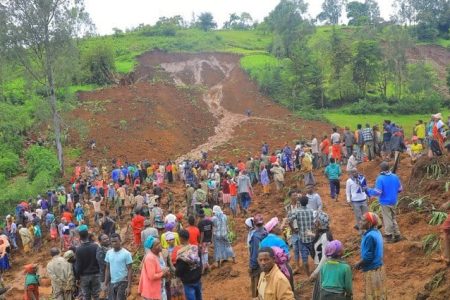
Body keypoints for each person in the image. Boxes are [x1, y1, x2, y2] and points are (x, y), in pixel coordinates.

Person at [368, 162, 403, 243]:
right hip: (394, 200)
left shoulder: (380, 178)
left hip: (385, 201)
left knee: (387, 218)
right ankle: (397, 234)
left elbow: (378, 192)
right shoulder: (395, 176)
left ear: (381, 169)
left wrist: (369, 190)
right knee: (393, 217)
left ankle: (389, 236)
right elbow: (400, 189)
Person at [355, 212, 386, 300]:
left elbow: (368, 257)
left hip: (372, 269)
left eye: (363, 220)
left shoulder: (369, 236)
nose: (360, 222)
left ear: (369, 223)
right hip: (378, 266)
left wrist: (358, 263)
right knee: (379, 293)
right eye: (360, 219)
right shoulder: (376, 232)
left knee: (372, 294)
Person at [288, 196, 314, 276]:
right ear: (307, 202)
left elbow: (289, 220)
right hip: (311, 237)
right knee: (314, 255)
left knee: (304, 258)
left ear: (300, 202)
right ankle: (317, 271)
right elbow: (316, 221)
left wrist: (293, 229)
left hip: (302, 238)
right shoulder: (311, 211)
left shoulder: (297, 211)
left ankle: (308, 275)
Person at [309, 211, 333, 300]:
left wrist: (315, 272)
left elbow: (325, 256)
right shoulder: (322, 234)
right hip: (321, 268)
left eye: (316, 221)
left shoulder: (325, 236)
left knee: (322, 292)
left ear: (319, 223)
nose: (314, 223)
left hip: (323, 269)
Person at [139, 236, 170, 300]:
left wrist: (166, 271)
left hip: (160, 288)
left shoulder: (160, 254)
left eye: (159, 243)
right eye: (157, 245)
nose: (160, 245)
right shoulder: (150, 258)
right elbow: (152, 276)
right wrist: (163, 273)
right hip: (152, 291)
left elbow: (161, 268)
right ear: (152, 248)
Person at [175, 230, 203, 300]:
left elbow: (179, 270)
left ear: (181, 238)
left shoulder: (181, 253)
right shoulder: (195, 248)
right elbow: (200, 262)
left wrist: (177, 275)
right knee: (199, 297)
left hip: (188, 281)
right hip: (197, 278)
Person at [104, 233, 133, 300]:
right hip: (112, 282)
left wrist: (128, 287)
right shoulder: (109, 253)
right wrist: (105, 284)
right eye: (112, 242)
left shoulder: (126, 254)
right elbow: (107, 268)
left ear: (120, 241)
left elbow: (130, 270)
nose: (114, 243)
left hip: (123, 282)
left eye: (115, 241)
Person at [75, 226, 100, 300]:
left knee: (86, 296)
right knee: (96, 295)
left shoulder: (78, 249)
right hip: (96, 274)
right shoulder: (95, 246)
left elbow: (78, 266)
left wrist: (77, 278)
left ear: (79, 237)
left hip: (84, 276)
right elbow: (99, 260)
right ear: (88, 235)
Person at [249, 214, 267, 299]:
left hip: (258, 264)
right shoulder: (266, 232)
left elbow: (255, 253)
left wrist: (252, 266)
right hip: (267, 261)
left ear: (254, 224)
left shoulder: (255, 236)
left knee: (255, 286)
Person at [346, 169, 369, 234]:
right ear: (351, 173)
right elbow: (348, 191)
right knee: (358, 216)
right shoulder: (349, 181)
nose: (355, 173)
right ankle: (361, 230)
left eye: (356, 171)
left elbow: (365, 187)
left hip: (363, 199)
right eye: (353, 172)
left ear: (357, 172)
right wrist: (348, 200)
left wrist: (367, 196)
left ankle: (367, 228)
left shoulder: (362, 178)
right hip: (355, 201)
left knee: (366, 215)